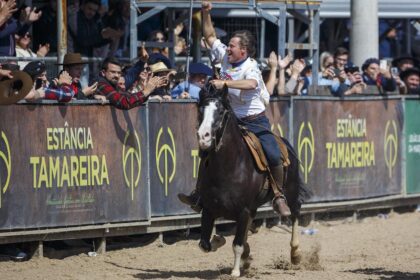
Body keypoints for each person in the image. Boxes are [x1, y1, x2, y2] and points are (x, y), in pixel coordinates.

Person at [177, 1, 291, 217]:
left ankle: (278, 195)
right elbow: (210, 36)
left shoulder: (251, 67)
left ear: (243, 51)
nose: (227, 48)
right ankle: (199, 193)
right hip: (230, 119)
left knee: (273, 153)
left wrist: (225, 84)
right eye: (228, 45)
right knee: (206, 149)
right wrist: (205, 13)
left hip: (254, 120)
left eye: (232, 46)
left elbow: (252, 85)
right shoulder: (225, 57)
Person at [96, 56, 166, 109]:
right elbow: (124, 102)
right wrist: (146, 91)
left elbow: (128, 96)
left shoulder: (114, 85)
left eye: (119, 73)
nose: (117, 75)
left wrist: (150, 89)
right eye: (113, 72)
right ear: (103, 73)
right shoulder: (101, 84)